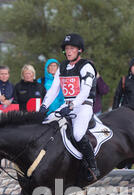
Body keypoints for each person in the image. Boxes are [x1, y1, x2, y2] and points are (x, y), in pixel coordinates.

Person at [39, 33, 100, 182]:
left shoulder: (86, 66)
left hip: (83, 106)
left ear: (79, 50)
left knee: (78, 134)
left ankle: (92, 166)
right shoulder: (62, 67)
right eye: (67, 48)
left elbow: (85, 92)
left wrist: (72, 105)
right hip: (66, 105)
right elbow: (54, 89)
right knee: (45, 124)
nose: (69, 51)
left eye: (72, 48)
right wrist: (44, 106)